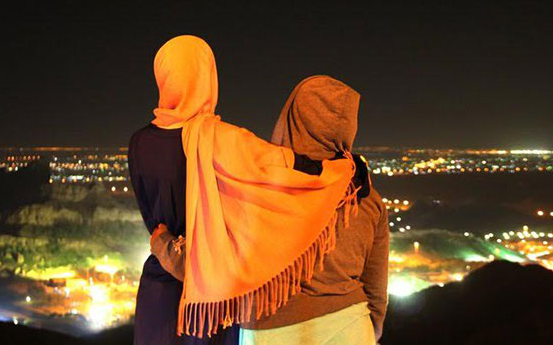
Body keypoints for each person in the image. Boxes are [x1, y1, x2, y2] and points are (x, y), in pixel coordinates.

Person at [128, 36, 357, 344]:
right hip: (211, 298)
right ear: (208, 76)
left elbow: (152, 217)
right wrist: (344, 169)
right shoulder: (224, 140)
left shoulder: (138, 143)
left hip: (158, 287)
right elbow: (288, 169)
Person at [152, 75, 390, 344]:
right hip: (351, 328)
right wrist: (368, 332)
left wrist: (164, 246)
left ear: (292, 118)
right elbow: (376, 292)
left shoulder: (259, 189)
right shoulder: (365, 195)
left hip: (271, 333)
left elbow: (218, 270)